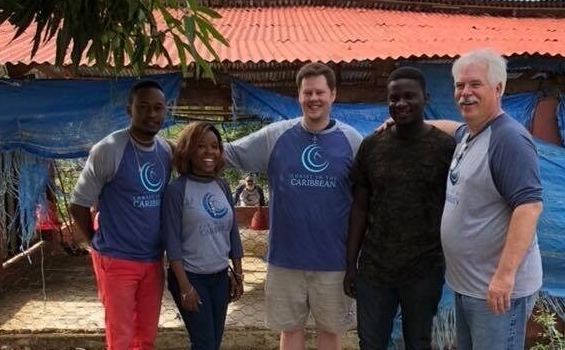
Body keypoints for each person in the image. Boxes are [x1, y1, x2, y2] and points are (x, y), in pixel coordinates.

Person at [224, 62, 362, 350]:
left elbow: (368, 192)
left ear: (333, 94)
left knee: (331, 332)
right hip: (285, 259)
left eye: (320, 92)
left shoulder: (352, 141)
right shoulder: (275, 136)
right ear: (298, 96)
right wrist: (184, 148)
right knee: (289, 332)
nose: (314, 98)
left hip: (333, 261)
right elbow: (229, 153)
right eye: (307, 92)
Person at [343, 66, 456, 350]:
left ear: (425, 98)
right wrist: (350, 264)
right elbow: (359, 207)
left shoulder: (444, 147)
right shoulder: (372, 146)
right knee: (370, 342)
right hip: (374, 267)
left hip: (424, 267)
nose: (401, 103)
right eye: (394, 98)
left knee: (418, 342)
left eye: (409, 96)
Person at [439, 49, 543, 350]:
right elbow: (451, 127)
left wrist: (504, 276)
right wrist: (400, 125)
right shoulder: (471, 135)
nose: (465, 93)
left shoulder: (508, 139)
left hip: (495, 293)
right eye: (460, 85)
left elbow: (529, 207)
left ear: (498, 88)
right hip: (469, 286)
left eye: (475, 84)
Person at [69, 79, 172, 350]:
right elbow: (78, 203)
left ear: (165, 111)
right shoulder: (109, 149)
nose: (152, 114)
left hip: (153, 260)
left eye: (158, 108)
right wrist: (95, 241)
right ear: (130, 109)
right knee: (121, 337)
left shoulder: (166, 151)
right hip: (116, 260)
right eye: (144, 107)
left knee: (146, 336)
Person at [162, 122, 244, 350]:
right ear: (188, 150)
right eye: (201, 146)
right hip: (190, 277)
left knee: (213, 342)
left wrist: (238, 273)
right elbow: (172, 242)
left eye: (215, 146)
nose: (210, 152)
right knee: (204, 343)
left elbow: (233, 232)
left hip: (219, 278)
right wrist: (185, 286)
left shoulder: (223, 185)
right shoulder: (176, 190)